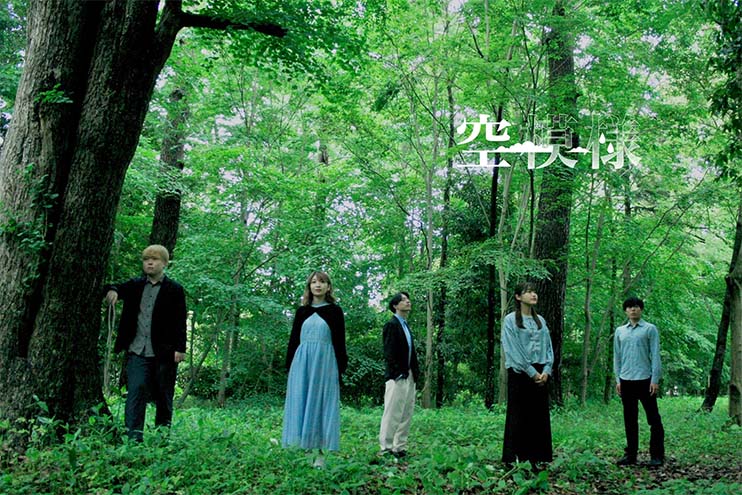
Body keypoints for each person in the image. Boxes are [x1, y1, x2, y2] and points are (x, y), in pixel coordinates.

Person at [104, 244, 187, 442]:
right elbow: (114, 287)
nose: (150, 263)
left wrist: (180, 348)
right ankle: (133, 439)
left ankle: (161, 438)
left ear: (164, 263)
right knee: (135, 392)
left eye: (155, 259)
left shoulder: (174, 289)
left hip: (165, 352)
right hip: (137, 349)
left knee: (164, 396)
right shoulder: (135, 285)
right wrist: (113, 292)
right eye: (146, 259)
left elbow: (180, 320)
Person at [282, 271, 347, 468]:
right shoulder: (302, 311)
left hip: (325, 363)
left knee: (321, 403)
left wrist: (340, 366)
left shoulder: (335, 311)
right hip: (302, 363)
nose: (318, 285)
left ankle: (319, 453)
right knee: (302, 401)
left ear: (328, 287)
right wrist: (290, 365)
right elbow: (294, 340)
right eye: (314, 282)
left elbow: (340, 341)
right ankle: (306, 450)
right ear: (309, 287)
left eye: (322, 282)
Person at [501, 282, 554, 468]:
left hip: (541, 373)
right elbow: (512, 349)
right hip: (520, 372)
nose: (533, 295)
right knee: (518, 415)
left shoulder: (541, 321)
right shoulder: (510, 320)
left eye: (534, 292)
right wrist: (531, 372)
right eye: (528, 292)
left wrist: (546, 370)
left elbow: (548, 347)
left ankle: (536, 458)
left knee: (538, 416)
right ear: (518, 297)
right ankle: (514, 458)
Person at [614, 296, 665, 467]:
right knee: (630, 420)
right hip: (626, 380)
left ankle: (657, 456)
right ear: (625, 311)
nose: (633, 310)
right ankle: (631, 455)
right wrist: (618, 379)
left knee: (653, 419)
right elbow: (617, 357)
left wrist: (655, 379)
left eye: (636, 307)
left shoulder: (650, 329)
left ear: (641, 309)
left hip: (645, 380)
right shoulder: (620, 331)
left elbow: (655, 355)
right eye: (629, 307)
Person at [378, 291, 419, 459]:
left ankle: (399, 447)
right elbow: (389, 352)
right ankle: (386, 448)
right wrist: (397, 373)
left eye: (408, 299)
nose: (407, 301)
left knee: (406, 412)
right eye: (403, 300)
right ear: (395, 305)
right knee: (392, 412)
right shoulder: (391, 325)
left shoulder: (405, 325)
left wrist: (414, 373)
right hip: (397, 376)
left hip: (410, 374)